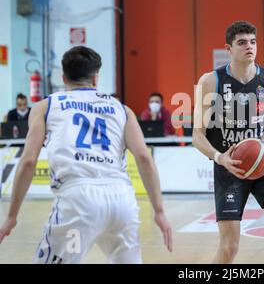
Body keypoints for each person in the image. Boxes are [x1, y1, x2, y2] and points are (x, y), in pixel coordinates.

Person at [0, 46, 172, 263]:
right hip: (121, 201)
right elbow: (144, 158)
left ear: (63, 77)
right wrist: (159, 211)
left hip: (78, 202)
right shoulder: (122, 109)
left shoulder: (46, 106)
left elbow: (28, 162)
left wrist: (11, 216)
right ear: (96, 78)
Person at [192, 20, 264, 264]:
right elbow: (197, 135)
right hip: (230, 168)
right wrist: (220, 158)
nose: (249, 47)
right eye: (241, 43)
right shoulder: (211, 81)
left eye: (252, 42)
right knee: (229, 247)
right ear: (228, 49)